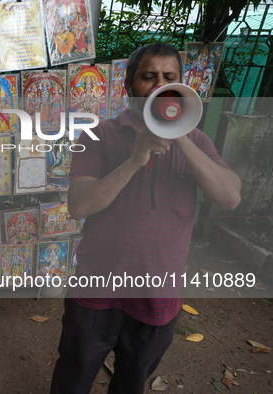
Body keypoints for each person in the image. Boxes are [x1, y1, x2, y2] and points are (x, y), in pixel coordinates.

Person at [50, 43, 241, 394]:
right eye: (148, 77)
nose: (158, 86)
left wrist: (179, 134)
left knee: (132, 382)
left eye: (169, 78)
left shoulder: (196, 139)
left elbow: (230, 197)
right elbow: (79, 205)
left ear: (182, 87)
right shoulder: (98, 135)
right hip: (96, 290)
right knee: (73, 377)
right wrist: (135, 159)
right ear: (128, 87)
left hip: (157, 294)